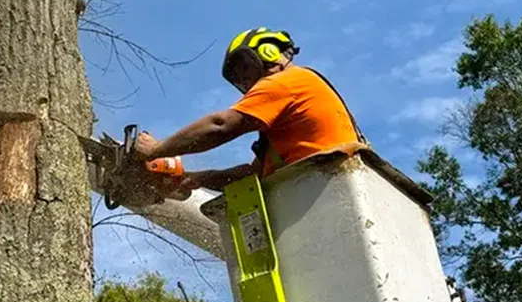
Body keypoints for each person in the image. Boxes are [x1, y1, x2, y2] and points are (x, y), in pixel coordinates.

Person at [130, 28, 362, 196]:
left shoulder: (287, 82)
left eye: (245, 69)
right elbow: (252, 176)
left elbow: (221, 125)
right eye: (238, 78)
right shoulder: (289, 117)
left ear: (268, 52)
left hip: (322, 190)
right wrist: (194, 179)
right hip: (320, 191)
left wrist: (156, 149)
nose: (245, 81)